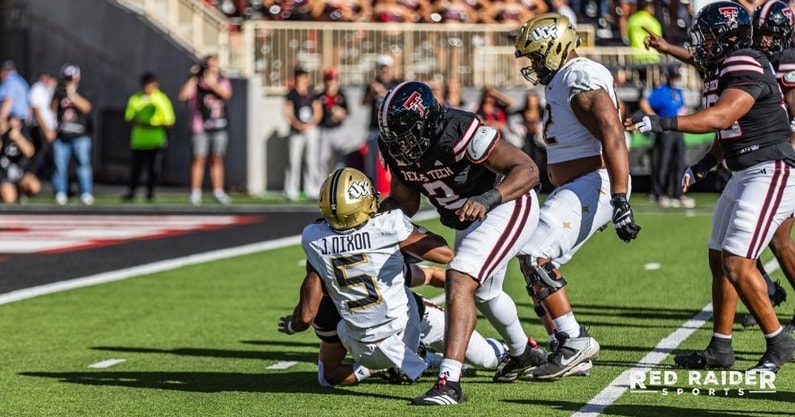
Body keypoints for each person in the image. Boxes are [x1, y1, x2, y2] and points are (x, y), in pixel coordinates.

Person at [627, 1, 795, 373]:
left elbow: (721, 116)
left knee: (738, 262)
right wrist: (703, 165)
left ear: (728, 37)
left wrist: (660, 124)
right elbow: (729, 130)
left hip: (770, 169)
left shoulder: (744, 62)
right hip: (744, 171)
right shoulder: (723, 66)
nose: (701, 43)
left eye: (707, 36)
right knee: (719, 259)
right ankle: (721, 348)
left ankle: (779, 341)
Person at [377, 81, 547, 405]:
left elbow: (528, 170)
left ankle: (449, 382)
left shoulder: (459, 129)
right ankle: (523, 352)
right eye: (394, 138)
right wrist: (364, 213)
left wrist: (488, 198)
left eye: (408, 134)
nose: (402, 145)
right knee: (485, 293)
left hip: (506, 202)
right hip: (470, 216)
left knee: (460, 276)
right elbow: (406, 202)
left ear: (427, 121)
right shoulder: (395, 146)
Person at [513, 13, 641, 380]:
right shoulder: (565, 78)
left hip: (595, 180)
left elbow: (612, 134)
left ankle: (573, 341)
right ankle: (564, 345)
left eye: (538, 55)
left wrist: (619, 197)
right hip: (582, 182)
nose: (534, 64)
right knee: (529, 256)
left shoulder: (577, 75)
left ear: (555, 48)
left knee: (533, 253)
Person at [280, 167, 454, 386]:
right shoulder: (387, 226)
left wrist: (291, 325)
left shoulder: (314, 238)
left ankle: (380, 369)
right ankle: (504, 353)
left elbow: (305, 316)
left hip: (361, 349)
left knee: (327, 372)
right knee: (485, 357)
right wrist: (410, 229)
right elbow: (445, 255)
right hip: (405, 330)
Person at [281, 251, 513, 386]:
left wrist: (469, 287)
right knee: (327, 373)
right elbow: (329, 374)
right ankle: (415, 358)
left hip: (418, 319)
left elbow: (432, 273)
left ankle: (508, 351)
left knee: (488, 359)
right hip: (379, 341)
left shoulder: (380, 268)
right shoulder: (327, 309)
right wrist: (374, 368)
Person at [178, 54, 233, 206]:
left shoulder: (222, 79)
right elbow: (183, 95)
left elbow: (226, 94)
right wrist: (193, 76)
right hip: (200, 124)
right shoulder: (197, 81)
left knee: (217, 158)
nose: (212, 68)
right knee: (199, 158)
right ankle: (195, 192)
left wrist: (211, 82)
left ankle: (218, 191)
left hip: (218, 124)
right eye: (209, 65)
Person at [638, 65, 693, 208]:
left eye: (677, 77)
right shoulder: (661, 91)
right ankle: (658, 193)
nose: (675, 80)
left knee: (680, 161)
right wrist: (656, 120)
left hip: (678, 129)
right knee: (662, 162)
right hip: (665, 130)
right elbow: (644, 102)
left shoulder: (678, 92)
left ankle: (677, 193)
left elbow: (681, 107)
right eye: (673, 77)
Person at [122, 72, 175, 202]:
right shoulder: (135, 98)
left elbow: (169, 121)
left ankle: (150, 192)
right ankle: (131, 191)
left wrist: (153, 125)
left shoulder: (162, 99)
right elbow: (129, 118)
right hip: (139, 140)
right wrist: (142, 123)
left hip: (156, 140)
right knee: (136, 168)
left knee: (153, 169)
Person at [51, 64, 93, 206]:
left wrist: (72, 94)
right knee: (59, 166)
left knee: (83, 164)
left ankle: (86, 192)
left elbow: (86, 107)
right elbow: (52, 109)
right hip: (62, 135)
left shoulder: (83, 90)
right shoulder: (59, 91)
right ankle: (61, 192)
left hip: (80, 135)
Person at [282, 66, 323, 201]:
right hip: (296, 130)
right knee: (293, 160)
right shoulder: (292, 93)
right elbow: (287, 110)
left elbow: (318, 111)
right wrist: (296, 124)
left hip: (310, 130)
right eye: (298, 77)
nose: (301, 79)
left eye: (303, 76)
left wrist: (309, 124)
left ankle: (311, 189)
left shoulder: (313, 93)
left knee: (311, 161)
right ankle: (291, 190)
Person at [361, 54, 401, 191]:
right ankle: (371, 187)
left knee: (392, 160)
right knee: (372, 160)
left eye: (386, 67)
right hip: (374, 127)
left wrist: (382, 90)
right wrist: (372, 92)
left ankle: (392, 187)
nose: (384, 70)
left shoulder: (396, 84)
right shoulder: (372, 84)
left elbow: (397, 101)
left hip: (390, 129)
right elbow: (364, 103)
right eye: (382, 67)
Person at [317, 67, 350, 172]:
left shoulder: (341, 95)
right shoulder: (320, 96)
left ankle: (338, 182)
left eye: (333, 80)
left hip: (338, 130)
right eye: (328, 80)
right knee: (322, 159)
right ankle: (321, 184)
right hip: (324, 130)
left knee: (340, 159)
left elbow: (347, 112)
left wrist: (340, 113)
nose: (330, 83)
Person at [0, 116, 40, 203]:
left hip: (21, 174)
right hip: (5, 176)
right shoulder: (2, 135)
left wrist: (17, 136)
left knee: (34, 186)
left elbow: (29, 151)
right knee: (8, 198)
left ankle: (21, 193)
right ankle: (13, 193)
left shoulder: (24, 134)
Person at [27, 69, 57, 180]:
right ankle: (30, 180)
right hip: (40, 129)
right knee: (39, 157)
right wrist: (46, 130)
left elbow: (54, 109)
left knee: (53, 159)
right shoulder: (37, 89)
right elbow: (37, 112)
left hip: (51, 128)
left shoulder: (51, 90)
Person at [0, 60, 30, 137]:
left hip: (13, 121)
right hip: (22, 121)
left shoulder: (9, 82)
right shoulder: (21, 81)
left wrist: (1, 119)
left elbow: (8, 101)